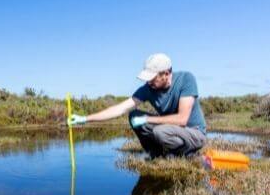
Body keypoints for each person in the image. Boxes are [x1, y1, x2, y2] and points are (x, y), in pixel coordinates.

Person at [67, 53, 207, 158]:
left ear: (166, 73)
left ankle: (185, 155)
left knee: (160, 131)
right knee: (134, 115)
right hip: (170, 130)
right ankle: (156, 154)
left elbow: (182, 119)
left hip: (194, 133)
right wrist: (85, 118)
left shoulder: (186, 79)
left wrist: (147, 120)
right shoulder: (148, 88)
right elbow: (119, 108)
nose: (149, 82)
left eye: (152, 78)